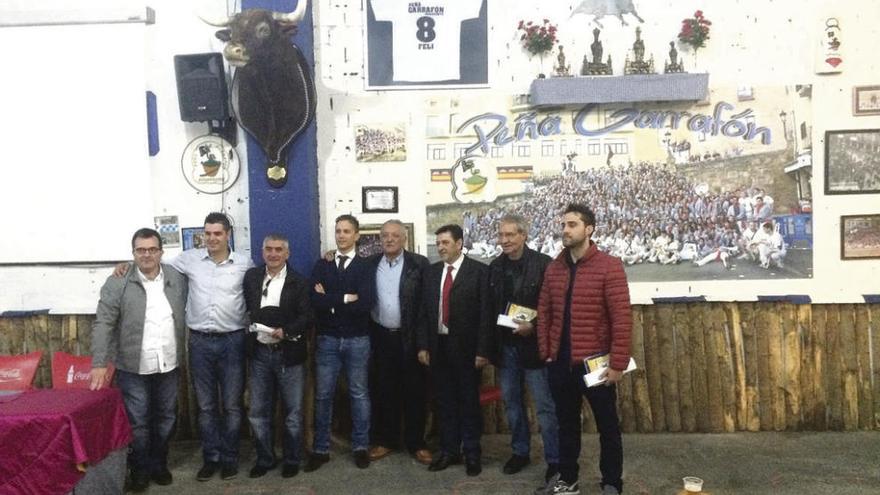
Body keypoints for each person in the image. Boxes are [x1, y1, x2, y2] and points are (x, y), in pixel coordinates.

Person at [537, 204, 632, 495]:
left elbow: (621, 318)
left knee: (608, 427)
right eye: (563, 224)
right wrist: (547, 353)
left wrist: (617, 363)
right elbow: (544, 312)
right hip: (560, 364)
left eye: (572, 224)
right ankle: (569, 479)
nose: (565, 230)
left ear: (588, 229)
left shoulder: (609, 265)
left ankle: (612, 482)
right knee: (566, 425)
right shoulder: (554, 268)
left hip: (596, 364)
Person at [91, 228, 187, 492]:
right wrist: (99, 363)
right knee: (140, 422)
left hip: (168, 363)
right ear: (133, 253)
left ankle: (159, 464)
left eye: (152, 249)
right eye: (141, 250)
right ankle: (141, 468)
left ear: (161, 252)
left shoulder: (176, 278)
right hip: (133, 366)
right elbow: (103, 323)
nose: (147, 255)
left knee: (166, 417)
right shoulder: (117, 282)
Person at [171, 212, 253, 481]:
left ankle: (229, 458)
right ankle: (211, 458)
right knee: (205, 407)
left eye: (217, 233)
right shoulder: (189, 259)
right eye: (207, 233)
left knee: (231, 405)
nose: (212, 238)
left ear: (228, 234)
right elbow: (153, 265)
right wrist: (124, 267)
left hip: (233, 341)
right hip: (200, 342)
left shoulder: (244, 263)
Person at [487, 215, 560, 482]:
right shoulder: (494, 267)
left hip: (535, 348)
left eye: (510, 235)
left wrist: (535, 325)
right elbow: (490, 310)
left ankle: (555, 459)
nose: (504, 240)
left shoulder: (544, 265)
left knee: (544, 407)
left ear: (523, 235)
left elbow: (555, 306)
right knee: (512, 405)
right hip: (506, 348)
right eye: (501, 235)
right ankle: (520, 452)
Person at [417, 224, 492, 477]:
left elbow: (485, 315)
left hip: (467, 350)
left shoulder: (480, 272)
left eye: (445, 243)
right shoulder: (431, 272)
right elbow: (423, 313)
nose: (440, 247)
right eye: (438, 243)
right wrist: (423, 345)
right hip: (438, 347)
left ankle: (472, 453)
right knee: (445, 402)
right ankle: (449, 451)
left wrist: (483, 350)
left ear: (459, 244)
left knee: (468, 402)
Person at [306, 214, 375, 471]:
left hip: (358, 339)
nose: (342, 235)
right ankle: (321, 448)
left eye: (347, 231)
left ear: (357, 235)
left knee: (359, 394)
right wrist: (346, 298)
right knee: (323, 395)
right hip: (328, 339)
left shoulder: (366, 266)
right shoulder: (322, 264)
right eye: (338, 231)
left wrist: (331, 299)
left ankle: (360, 447)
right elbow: (314, 300)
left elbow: (366, 303)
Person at [243, 234, 314, 479]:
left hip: (289, 354)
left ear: (287, 254)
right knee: (258, 411)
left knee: (293, 414)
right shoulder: (251, 278)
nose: (273, 254)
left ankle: (292, 459)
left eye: (278, 250)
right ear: (262, 252)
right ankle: (265, 458)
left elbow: (307, 316)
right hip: (259, 355)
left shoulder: (299, 282)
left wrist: (288, 331)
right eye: (269, 249)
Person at [366, 220, 433, 465]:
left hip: (411, 338)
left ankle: (417, 443)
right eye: (385, 235)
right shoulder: (370, 264)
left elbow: (426, 307)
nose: (389, 239)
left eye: (395, 235)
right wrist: (331, 256)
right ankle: (386, 440)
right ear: (379, 238)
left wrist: (424, 344)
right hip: (381, 338)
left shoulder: (419, 264)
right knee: (384, 391)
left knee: (415, 392)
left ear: (404, 239)